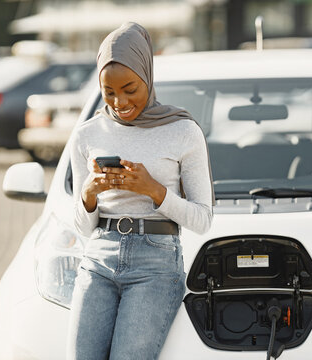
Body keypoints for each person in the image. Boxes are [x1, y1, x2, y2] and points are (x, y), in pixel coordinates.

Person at [66, 22, 214, 360]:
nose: (120, 101)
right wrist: (89, 195)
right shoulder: (85, 135)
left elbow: (203, 220)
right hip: (98, 259)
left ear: (147, 74)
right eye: (109, 91)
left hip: (156, 264)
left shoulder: (183, 130)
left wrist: (154, 191)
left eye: (130, 88)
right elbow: (82, 227)